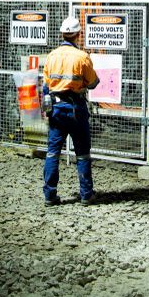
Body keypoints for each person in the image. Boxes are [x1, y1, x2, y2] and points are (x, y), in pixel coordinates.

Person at [41, 16, 100, 206]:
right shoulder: (82, 57)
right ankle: (86, 194)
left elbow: (46, 86)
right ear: (78, 34)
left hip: (56, 109)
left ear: (62, 34)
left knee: (52, 152)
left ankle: (50, 195)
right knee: (82, 153)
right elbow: (93, 83)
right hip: (76, 108)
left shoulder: (52, 56)